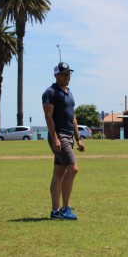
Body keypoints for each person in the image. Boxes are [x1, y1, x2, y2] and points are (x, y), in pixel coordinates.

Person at [42, 62, 85, 220]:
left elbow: (72, 117)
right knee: (73, 168)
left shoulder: (69, 93)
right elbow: (48, 116)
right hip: (59, 136)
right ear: (56, 75)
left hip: (68, 136)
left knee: (59, 173)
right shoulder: (50, 92)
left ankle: (55, 211)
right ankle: (66, 209)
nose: (68, 77)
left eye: (69, 74)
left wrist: (78, 138)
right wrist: (55, 138)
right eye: (64, 74)